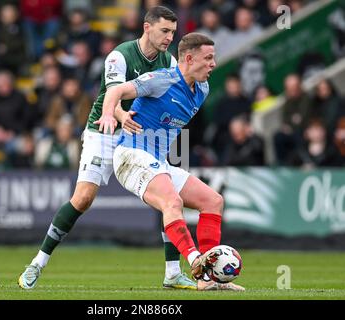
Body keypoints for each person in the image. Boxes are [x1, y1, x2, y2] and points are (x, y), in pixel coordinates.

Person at [19, 6, 197, 291]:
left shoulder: (169, 61)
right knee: (83, 199)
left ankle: (173, 273)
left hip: (142, 135)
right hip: (104, 130)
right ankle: (37, 263)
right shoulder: (120, 55)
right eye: (164, 31)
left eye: (173, 33)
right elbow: (111, 96)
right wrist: (119, 115)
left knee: (169, 197)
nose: (169, 38)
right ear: (147, 28)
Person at [96, 32, 245, 291]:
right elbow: (117, 90)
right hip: (131, 155)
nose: (213, 64)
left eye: (214, 58)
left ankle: (207, 277)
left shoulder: (203, 89)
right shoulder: (162, 80)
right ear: (188, 58)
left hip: (157, 161)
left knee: (213, 201)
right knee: (172, 202)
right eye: (208, 58)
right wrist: (111, 114)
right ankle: (194, 259)